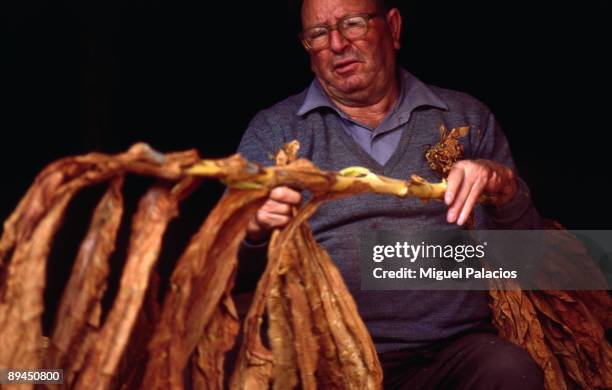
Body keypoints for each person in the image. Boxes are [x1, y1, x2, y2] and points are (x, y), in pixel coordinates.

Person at [236, 0, 544, 388]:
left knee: (507, 369)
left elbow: (527, 262)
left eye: (352, 24)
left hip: (452, 352)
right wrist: (252, 230)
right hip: (325, 355)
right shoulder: (275, 131)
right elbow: (229, 271)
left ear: (393, 28)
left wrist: (506, 190)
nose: (336, 43)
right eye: (317, 34)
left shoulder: (465, 118)